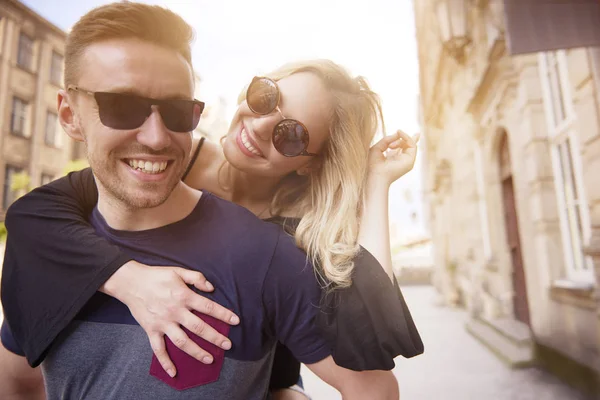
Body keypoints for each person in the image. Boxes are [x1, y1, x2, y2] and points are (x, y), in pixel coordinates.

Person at [0, 3, 423, 400]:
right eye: (265, 98)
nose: (258, 127)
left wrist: (377, 183)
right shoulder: (164, 157)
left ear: (310, 165)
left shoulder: (283, 243)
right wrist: (129, 279)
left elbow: (368, 321)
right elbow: (33, 216)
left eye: (290, 135)